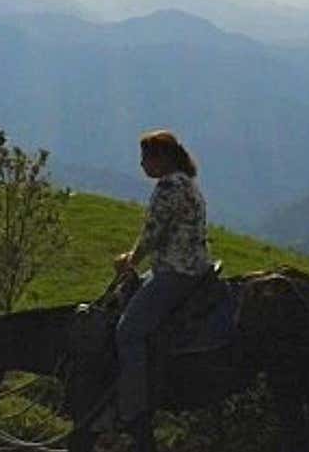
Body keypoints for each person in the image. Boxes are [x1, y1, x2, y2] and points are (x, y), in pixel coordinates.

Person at [113, 129, 212, 426]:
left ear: (162, 159)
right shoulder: (188, 183)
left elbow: (153, 234)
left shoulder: (169, 187)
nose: (142, 165)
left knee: (127, 331)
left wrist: (129, 260)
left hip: (175, 271)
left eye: (146, 158)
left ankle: (134, 406)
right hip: (196, 266)